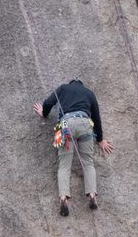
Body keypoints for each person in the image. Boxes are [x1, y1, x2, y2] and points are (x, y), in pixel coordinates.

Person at [35, 80, 114, 216]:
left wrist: (44, 113)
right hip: (85, 123)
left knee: (64, 165)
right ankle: (92, 195)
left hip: (67, 125)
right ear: (81, 85)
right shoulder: (89, 93)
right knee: (88, 163)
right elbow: (96, 117)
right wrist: (100, 139)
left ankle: (64, 198)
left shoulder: (63, 88)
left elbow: (49, 102)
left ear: (71, 84)